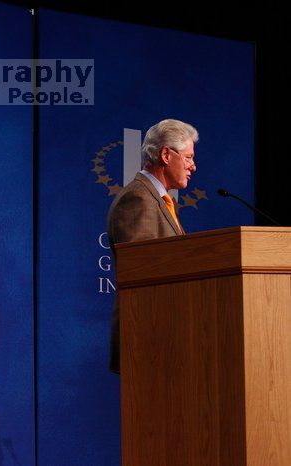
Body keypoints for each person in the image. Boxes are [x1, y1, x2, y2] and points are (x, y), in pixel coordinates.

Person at [107, 119, 198, 374]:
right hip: (149, 339)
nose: (193, 166)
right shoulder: (138, 199)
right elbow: (141, 274)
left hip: (165, 337)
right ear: (166, 155)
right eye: (188, 157)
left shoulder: (158, 200)